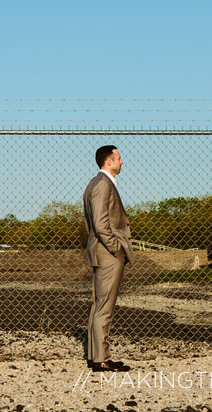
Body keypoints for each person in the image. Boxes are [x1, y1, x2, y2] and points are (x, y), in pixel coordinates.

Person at [82, 145, 135, 372]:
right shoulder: (103, 185)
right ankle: (102, 359)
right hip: (108, 254)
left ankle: (97, 357)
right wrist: (116, 249)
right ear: (108, 162)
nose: (122, 162)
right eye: (119, 158)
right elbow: (100, 224)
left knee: (99, 305)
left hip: (103, 252)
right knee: (105, 307)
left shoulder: (96, 184)